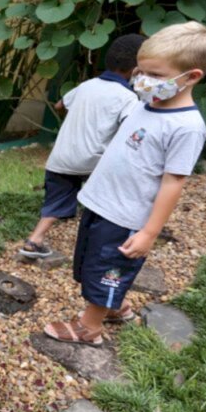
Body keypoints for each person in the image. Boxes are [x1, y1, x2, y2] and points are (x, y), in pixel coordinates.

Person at [44, 22, 206, 346]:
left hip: (125, 218)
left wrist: (149, 233)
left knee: (107, 267)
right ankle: (115, 304)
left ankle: (89, 328)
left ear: (192, 77)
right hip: (100, 202)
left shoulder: (186, 127)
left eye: (156, 75)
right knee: (90, 265)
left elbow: (172, 183)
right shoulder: (143, 105)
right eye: (141, 72)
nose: (144, 81)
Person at [19, 34, 145, 258]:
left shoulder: (87, 86)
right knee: (112, 195)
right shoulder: (127, 98)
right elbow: (130, 129)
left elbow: (59, 104)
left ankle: (34, 240)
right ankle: (107, 241)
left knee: (56, 200)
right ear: (136, 70)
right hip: (93, 162)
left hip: (62, 158)